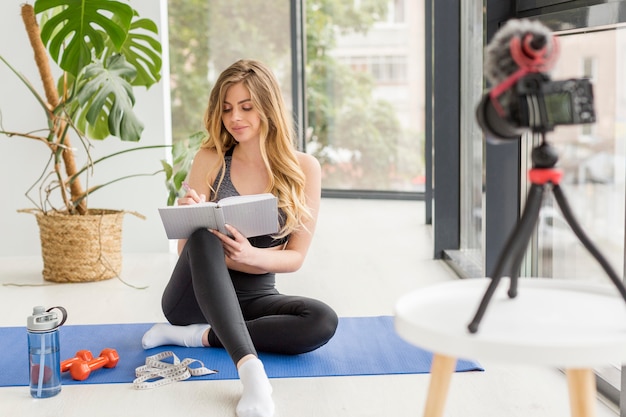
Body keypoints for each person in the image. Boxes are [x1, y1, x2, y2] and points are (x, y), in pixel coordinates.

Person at [142, 59, 338, 417]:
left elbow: (295, 257)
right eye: (227, 108)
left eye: (246, 107)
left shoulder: (304, 168)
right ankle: (251, 374)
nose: (235, 117)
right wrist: (190, 214)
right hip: (193, 300)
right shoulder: (211, 159)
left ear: (268, 107)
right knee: (201, 234)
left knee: (322, 320)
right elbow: (187, 251)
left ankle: (198, 337)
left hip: (257, 294)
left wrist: (250, 256)